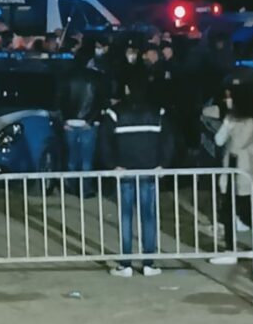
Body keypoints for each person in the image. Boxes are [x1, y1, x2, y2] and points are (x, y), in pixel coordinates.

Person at [98, 75, 175, 278]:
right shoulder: (157, 112)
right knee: (148, 217)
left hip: (124, 172)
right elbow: (168, 140)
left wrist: (112, 165)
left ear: (127, 89)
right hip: (149, 171)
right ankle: (148, 262)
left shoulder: (115, 113)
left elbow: (104, 141)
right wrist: (163, 164)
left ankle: (126, 264)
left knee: (125, 217)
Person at [210, 85, 253, 265]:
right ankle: (230, 249)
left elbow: (238, 144)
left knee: (244, 210)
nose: (227, 101)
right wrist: (227, 123)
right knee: (228, 210)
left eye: (231, 97)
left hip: (244, 171)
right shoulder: (231, 119)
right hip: (230, 169)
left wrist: (230, 125)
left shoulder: (250, 121)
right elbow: (218, 140)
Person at [58, 56, 109, 196]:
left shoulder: (67, 77)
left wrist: (64, 120)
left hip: (70, 122)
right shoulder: (95, 78)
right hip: (88, 123)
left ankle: (70, 186)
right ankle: (85, 189)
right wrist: (91, 120)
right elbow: (100, 101)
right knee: (87, 159)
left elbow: (60, 99)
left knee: (71, 157)